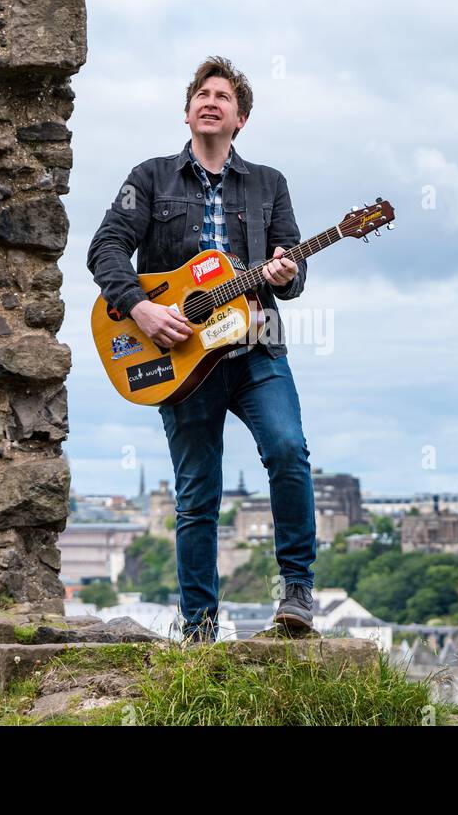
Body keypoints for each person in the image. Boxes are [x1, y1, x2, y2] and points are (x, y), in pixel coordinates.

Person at [86, 56, 317, 643]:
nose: (210, 102)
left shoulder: (270, 184)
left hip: (256, 348)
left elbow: (292, 272)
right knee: (197, 497)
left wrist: (287, 273)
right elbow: (106, 247)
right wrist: (141, 307)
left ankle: (296, 594)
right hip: (183, 358)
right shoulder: (151, 177)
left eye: (224, 97)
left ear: (240, 119)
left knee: (288, 451)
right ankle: (199, 630)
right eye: (201, 94)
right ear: (188, 110)